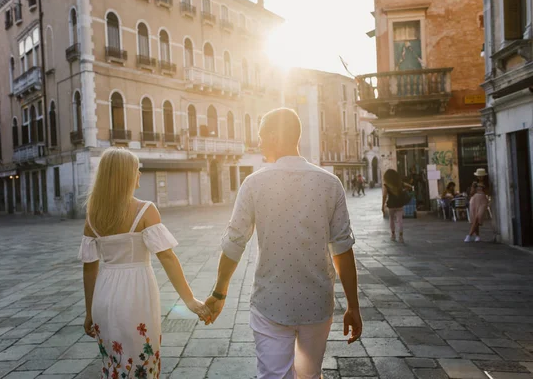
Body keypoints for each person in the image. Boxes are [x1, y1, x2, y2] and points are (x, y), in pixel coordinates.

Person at [204, 108, 362, 379]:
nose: (259, 143)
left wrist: (219, 293)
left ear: (275, 136)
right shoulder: (330, 183)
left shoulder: (253, 184)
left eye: (262, 136)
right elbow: (342, 250)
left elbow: (234, 244)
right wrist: (353, 306)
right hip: (316, 303)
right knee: (310, 375)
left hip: (270, 302)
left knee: (273, 375)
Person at [78, 148, 211, 379]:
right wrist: (189, 300)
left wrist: (89, 312)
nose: (139, 173)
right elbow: (167, 257)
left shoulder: (93, 214)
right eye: (137, 169)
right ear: (126, 175)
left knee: (113, 364)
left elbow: (89, 268)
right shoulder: (145, 210)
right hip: (136, 293)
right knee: (142, 361)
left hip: (103, 296)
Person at [382, 169, 412, 243]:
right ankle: (401, 237)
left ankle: (393, 235)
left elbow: (384, 196)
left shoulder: (386, 185)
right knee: (400, 220)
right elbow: (410, 186)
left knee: (391, 219)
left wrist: (382, 206)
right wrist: (404, 190)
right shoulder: (400, 183)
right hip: (399, 204)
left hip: (391, 205)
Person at [465, 168, 490, 243]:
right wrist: (474, 187)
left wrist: (483, 187)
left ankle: (469, 235)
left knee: (478, 217)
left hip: (483, 200)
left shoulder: (486, 183)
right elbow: (471, 193)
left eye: (482, 176)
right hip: (474, 200)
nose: (480, 177)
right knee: (474, 219)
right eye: (479, 176)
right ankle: (477, 236)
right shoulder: (474, 183)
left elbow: (488, 193)